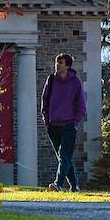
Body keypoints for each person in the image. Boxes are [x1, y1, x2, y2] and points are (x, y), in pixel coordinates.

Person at [41, 52, 86, 191]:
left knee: (64, 156)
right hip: (53, 126)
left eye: (60, 62)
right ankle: (74, 185)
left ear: (67, 65)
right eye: (57, 62)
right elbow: (45, 101)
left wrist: (75, 122)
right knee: (63, 158)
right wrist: (46, 121)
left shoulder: (76, 81)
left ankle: (58, 184)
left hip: (68, 125)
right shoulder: (51, 80)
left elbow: (81, 104)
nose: (57, 65)